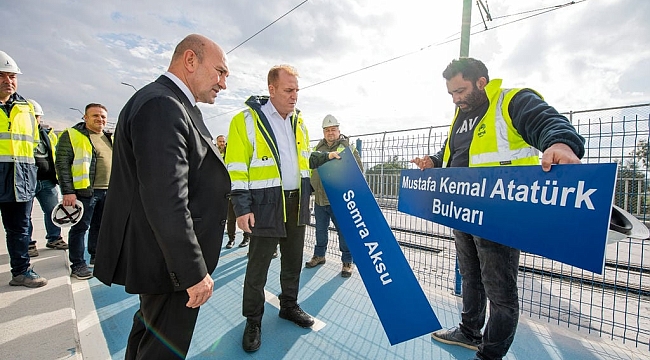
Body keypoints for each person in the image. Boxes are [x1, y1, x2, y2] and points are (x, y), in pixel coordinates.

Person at [411, 57, 585, 360]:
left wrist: (560, 143)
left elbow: (546, 121)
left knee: (500, 290)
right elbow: (454, 150)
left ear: (481, 82)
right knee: (470, 276)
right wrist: (435, 161)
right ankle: (469, 331)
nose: (456, 99)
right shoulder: (461, 114)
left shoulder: (511, 100)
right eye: (451, 94)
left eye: (461, 91)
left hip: (500, 213)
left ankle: (490, 354)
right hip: (462, 207)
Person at [93, 34, 230, 360]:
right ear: (190, 60)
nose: (223, 84)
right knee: (162, 350)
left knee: (148, 336)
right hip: (170, 266)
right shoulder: (163, 106)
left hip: (161, 261)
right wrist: (192, 273)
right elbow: (166, 198)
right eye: (220, 72)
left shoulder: (167, 103)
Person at [226, 64, 335, 353]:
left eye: (297, 90)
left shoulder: (299, 122)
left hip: (296, 201)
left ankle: (289, 305)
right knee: (258, 266)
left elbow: (301, 158)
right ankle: (253, 320)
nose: (294, 96)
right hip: (264, 204)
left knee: (292, 261)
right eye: (288, 90)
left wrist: (326, 156)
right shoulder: (245, 121)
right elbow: (236, 168)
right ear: (271, 89)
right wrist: (241, 207)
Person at [0, 50, 47, 288]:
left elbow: (34, 146)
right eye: (1, 76)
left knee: (19, 229)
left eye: (12, 76)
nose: (8, 81)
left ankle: (21, 271)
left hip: (20, 179)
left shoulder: (27, 108)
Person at [55, 103, 112, 279]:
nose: (100, 119)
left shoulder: (108, 137)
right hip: (85, 192)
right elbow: (62, 164)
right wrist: (68, 191)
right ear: (85, 117)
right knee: (80, 228)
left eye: (103, 116)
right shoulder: (72, 135)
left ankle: (96, 256)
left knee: (100, 227)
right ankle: (78, 264)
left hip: (107, 190)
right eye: (95, 116)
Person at [305, 114, 363, 278]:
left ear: (339, 130)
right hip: (320, 198)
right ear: (323, 132)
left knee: (344, 232)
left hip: (340, 200)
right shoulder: (318, 148)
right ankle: (319, 255)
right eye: (327, 130)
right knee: (320, 230)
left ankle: (347, 262)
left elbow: (358, 170)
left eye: (333, 129)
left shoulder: (347, 147)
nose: (330, 132)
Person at [26, 99, 67, 257]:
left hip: (47, 180)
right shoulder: (20, 134)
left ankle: (54, 237)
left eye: (36, 116)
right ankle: (28, 244)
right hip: (27, 181)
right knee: (25, 215)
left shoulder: (48, 135)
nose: (34, 119)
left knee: (52, 211)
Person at [216, 134, 250, 249]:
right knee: (230, 218)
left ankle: (246, 237)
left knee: (244, 215)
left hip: (239, 190)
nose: (222, 144)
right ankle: (231, 239)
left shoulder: (234, 154)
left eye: (223, 142)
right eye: (220, 142)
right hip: (227, 192)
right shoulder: (218, 155)